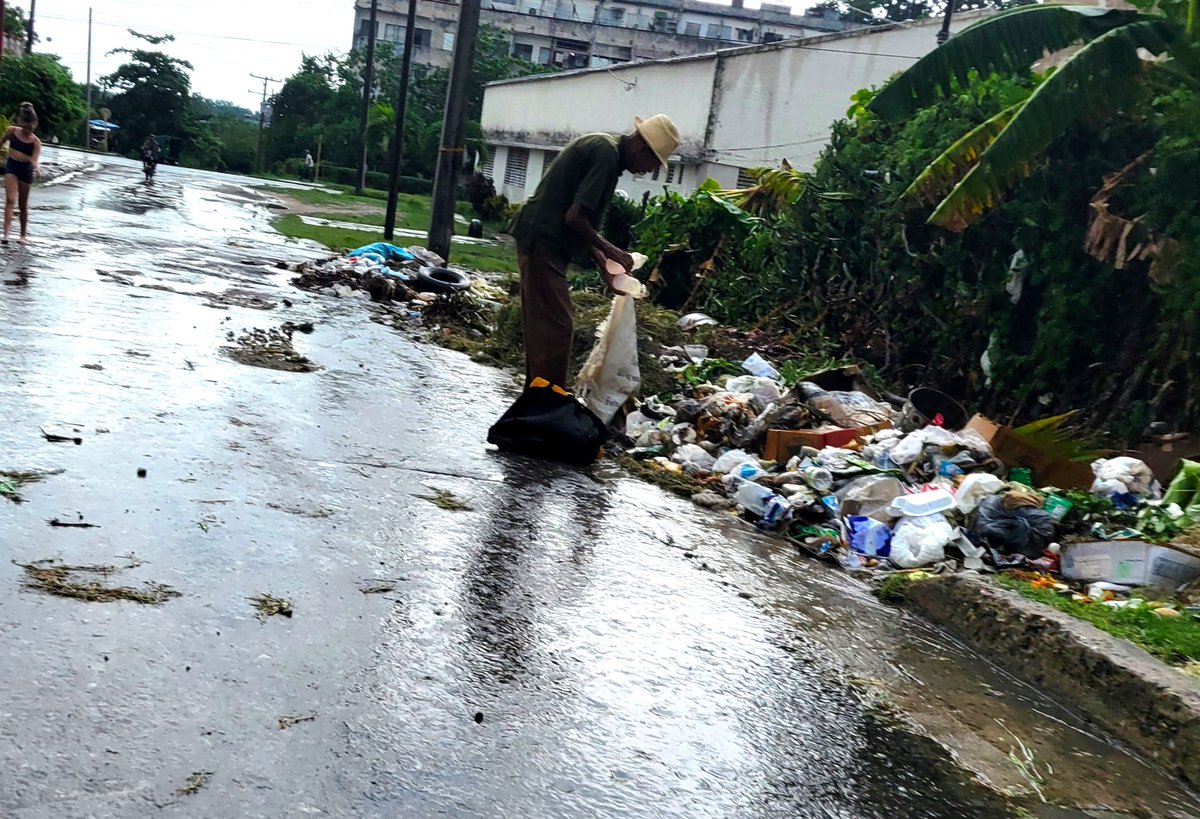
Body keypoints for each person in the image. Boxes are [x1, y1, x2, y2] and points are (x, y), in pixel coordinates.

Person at [509, 114, 680, 388]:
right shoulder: (607, 155)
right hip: (542, 241)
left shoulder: (608, 152)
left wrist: (603, 263)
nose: (649, 171)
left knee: (545, 330)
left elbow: (579, 221)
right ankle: (547, 404)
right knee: (558, 330)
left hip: (544, 241)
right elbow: (575, 217)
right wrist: (613, 251)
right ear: (642, 148)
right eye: (652, 163)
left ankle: (537, 401)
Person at [1, 102, 42, 245]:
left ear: (35, 124)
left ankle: (23, 235)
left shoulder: (35, 142)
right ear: (19, 122)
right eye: (25, 127)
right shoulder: (12, 131)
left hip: (26, 170)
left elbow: (34, 159)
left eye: (30, 128)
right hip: (12, 166)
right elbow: (1, 142)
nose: (27, 131)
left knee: (22, 204)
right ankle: (6, 234)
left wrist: (36, 168)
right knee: (10, 199)